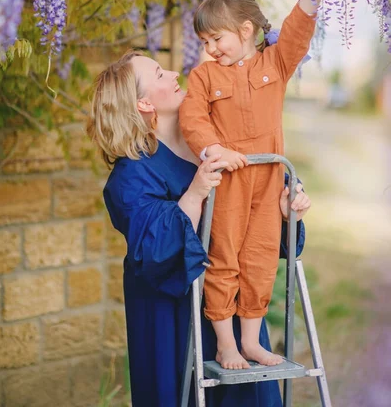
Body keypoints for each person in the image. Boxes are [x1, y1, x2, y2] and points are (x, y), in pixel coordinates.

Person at [87, 50, 311, 407]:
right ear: (143, 103)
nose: (176, 73)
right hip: (173, 317)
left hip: (234, 307)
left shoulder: (221, 141)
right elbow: (154, 251)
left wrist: (284, 211)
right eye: (160, 74)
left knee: (249, 395)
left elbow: (256, 230)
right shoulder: (131, 175)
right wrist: (195, 193)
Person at [179, 0, 328, 370]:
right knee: (223, 256)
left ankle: (251, 342)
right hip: (229, 180)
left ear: (245, 30)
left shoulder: (275, 64)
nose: (210, 49)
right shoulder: (204, 76)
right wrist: (214, 149)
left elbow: (297, 31)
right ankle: (225, 344)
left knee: (260, 256)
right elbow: (192, 118)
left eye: (216, 38)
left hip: (268, 178)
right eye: (205, 41)